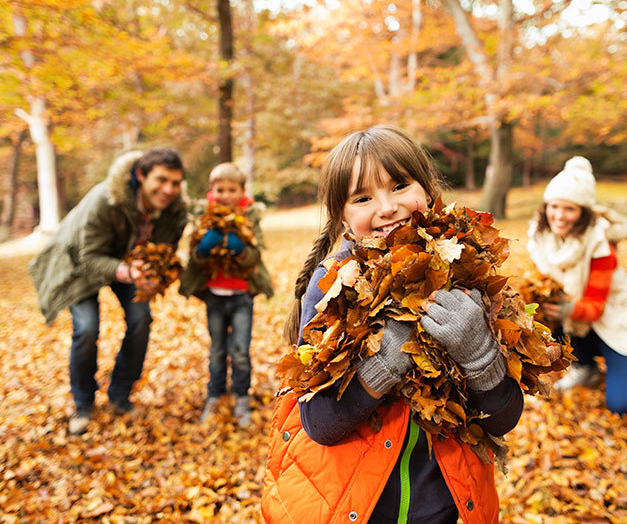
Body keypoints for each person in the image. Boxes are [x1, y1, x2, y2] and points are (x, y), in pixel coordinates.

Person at [262, 126, 523, 524]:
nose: (386, 207)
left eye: (400, 185)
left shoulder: (468, 271)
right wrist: (382, 363)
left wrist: (480, 356)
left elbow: (504, 419)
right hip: (354, 507)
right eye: (363, 197)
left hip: (446, 507)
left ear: (428, 189)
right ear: (342, 217)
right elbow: (319, 423)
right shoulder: (332, 284)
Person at [29, 148, 188, 435]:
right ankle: (83, 402)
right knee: (87, 328)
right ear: (141, 175)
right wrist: (128, 271)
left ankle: (119, 395)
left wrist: (156, 277)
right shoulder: (105, 199)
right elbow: (89, 256)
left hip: (129, 264)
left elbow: (165, 253)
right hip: (79, 264)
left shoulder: (175, 210)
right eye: (161, 180)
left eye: (175, 183)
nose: (168, 189)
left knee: (141, 320)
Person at [526, 156, 627, 418]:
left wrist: (566, 309)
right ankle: (585, 366)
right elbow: (547, 287)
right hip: (576, 320)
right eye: (554, 206)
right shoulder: (541, 239)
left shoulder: (600, 243)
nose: (559, 216)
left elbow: (595, 307)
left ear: (584, 213)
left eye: (569, 209)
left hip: (615, 320)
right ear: (545, 207)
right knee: (546, 306)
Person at [179, 162, 273, 427]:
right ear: (212, 190)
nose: (225, 195)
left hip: (242, 296)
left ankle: (241, 398)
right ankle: (215, 395)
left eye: (232, 189)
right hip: (214, 296)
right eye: (220, 189)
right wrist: (203, 248)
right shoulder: (204, 217)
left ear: (241, 191)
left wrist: (240, 250)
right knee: (218, 350)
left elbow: (255, 255)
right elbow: (195, 258)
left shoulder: (250, 218)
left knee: (241, 351)